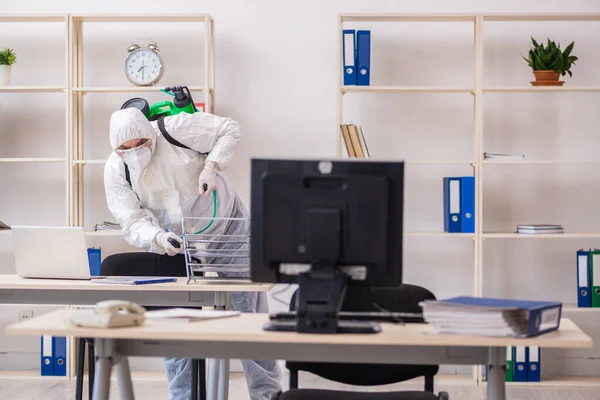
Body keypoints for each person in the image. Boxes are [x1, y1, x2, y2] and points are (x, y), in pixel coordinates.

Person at [101, 106, 282, 400]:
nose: (135, 153)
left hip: (225, 227)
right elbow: (131, 220)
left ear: (150, 134)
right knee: (178, 322)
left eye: (142, 145)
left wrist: (212, 166)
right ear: (116, 148)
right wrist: (157, 237)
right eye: (125, 149)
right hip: (179, 244)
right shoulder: (115, 168)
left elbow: (228, 128)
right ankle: (184, 396)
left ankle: (267, 394)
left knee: (249, 315)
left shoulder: (174, 129)